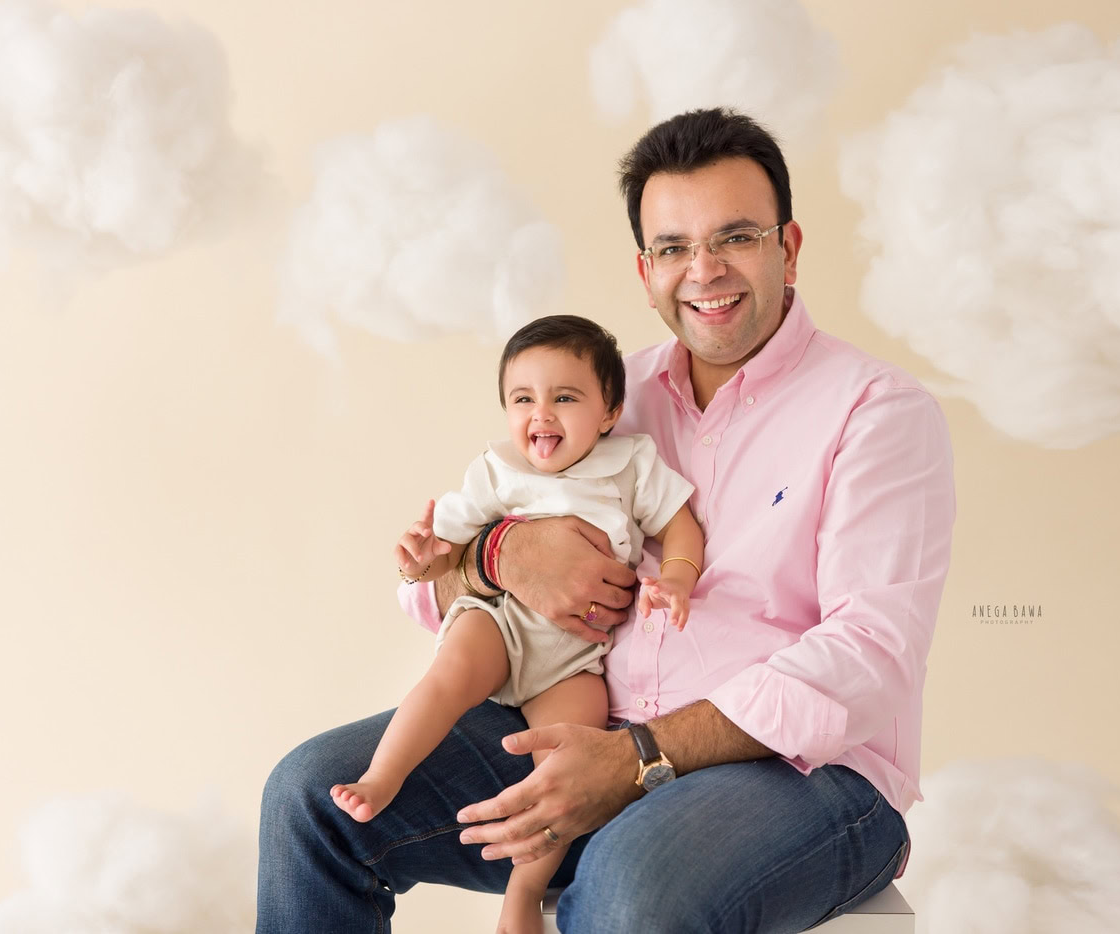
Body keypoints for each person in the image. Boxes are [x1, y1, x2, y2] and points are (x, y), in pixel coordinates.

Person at [257, 107, 956, 934]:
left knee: (631, 889)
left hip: (804, 776)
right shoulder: (602, 393)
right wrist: (500, 556)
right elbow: (426, 586)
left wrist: (639, 756)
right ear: (645, 269)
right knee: (309, 797)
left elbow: (871, 652)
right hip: (579, 723)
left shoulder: (877, 411)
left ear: (789, 248)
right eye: (673, 247)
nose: (704, 271)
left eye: (735, 237)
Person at [329, 314, 704, 933]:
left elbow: (680, 526)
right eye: (522, 399)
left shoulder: (632, 464)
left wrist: (679, 578)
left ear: (609, 411)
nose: (541, 415)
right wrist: (422, 560)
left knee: (564, 762)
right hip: (499, 620)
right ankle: (382, 776)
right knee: (450, 676)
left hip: (574, 657)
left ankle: (523, 892)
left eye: (566, 398)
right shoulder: (499, 468)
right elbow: (450, 548)